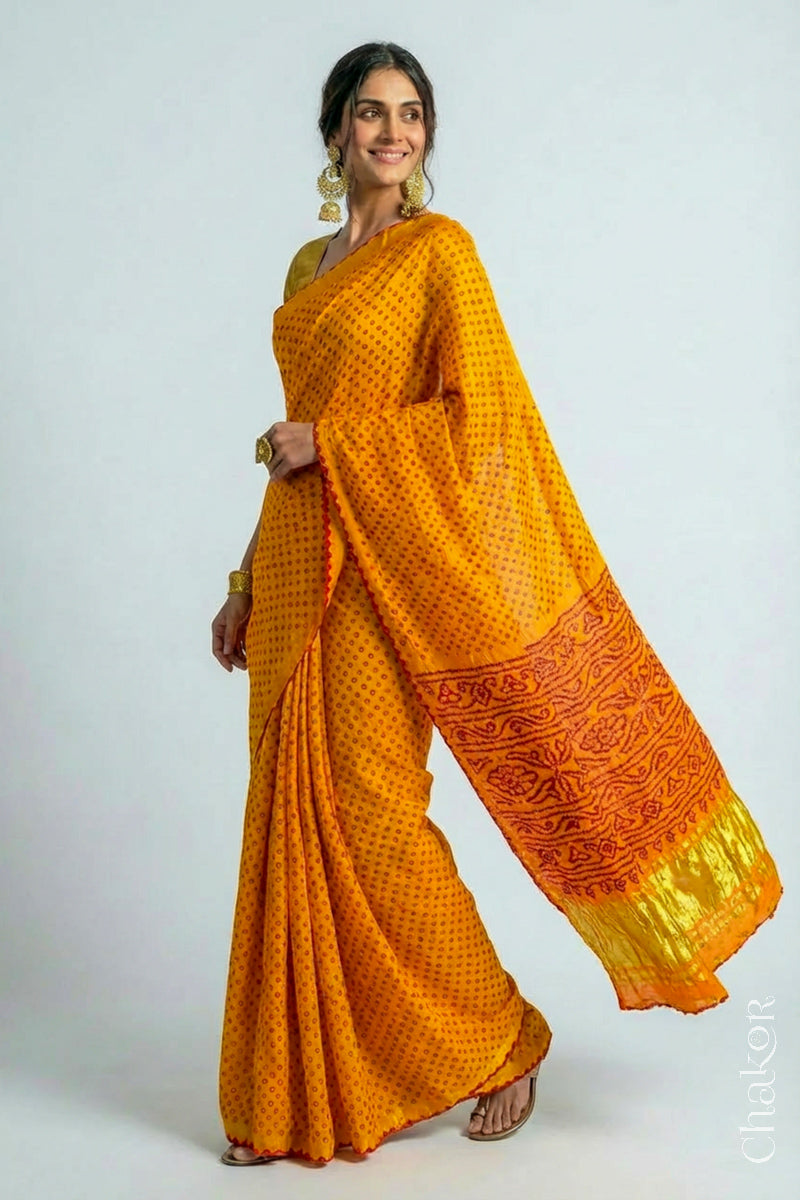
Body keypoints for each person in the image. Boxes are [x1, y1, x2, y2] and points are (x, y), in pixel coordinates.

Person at [210, 42, 782, 1167]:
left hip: (386, 575)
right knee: (291, 826)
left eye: (409, 114)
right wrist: (238, 581)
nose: (390, 133)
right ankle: (303, 1089)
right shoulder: (305, 270)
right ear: (332, 133)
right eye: (368, 114)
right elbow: (291, 445)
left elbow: (480, 430)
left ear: (424, 136)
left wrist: (333, 444)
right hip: (291, 566)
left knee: (373, 822)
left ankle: (498, 1036)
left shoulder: (440, 257)